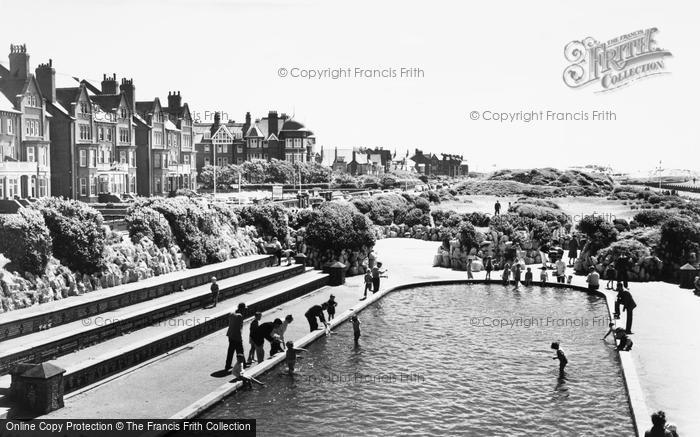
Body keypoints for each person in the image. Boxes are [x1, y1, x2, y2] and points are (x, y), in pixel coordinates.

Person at [225, 303, 246, 370]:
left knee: (231, 351)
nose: (244, 310)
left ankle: (227, 365)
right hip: (236, 336)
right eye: (244, 309)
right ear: (242, 309)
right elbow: (238, 328)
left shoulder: (231, 314)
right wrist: (240, 339)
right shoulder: (240, 316)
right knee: (240, 350)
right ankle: (243, 364)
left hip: (230, 335)